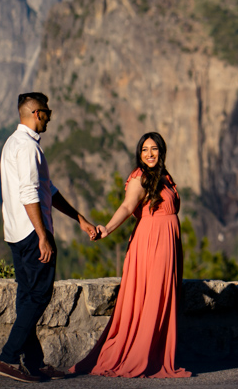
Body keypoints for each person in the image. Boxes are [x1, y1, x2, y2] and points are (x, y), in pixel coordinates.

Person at [0, 92, 99, 383]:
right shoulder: (27, 148)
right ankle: (8, 358)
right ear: (36, 113)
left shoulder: (13, 143)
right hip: (30, 233)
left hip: (15, 233)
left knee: (28, 298)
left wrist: (80, 220)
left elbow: (47, 191)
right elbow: (29, 194)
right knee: (39, 296)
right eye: (48, 113)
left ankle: (35, 363)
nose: (50, 117)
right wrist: (42, 236)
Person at [70, 131, 191, 378]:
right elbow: (127, 206)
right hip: (152, 244)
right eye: (145, 149)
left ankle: (157, 353)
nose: (149, 154)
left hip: (168, 245)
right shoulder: (139, 178)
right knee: (152, 297)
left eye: (154, 149)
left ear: (161, 151)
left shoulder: (165, 178)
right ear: (139, 153)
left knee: (164, 296)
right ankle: (141, 355)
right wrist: (107, 228)